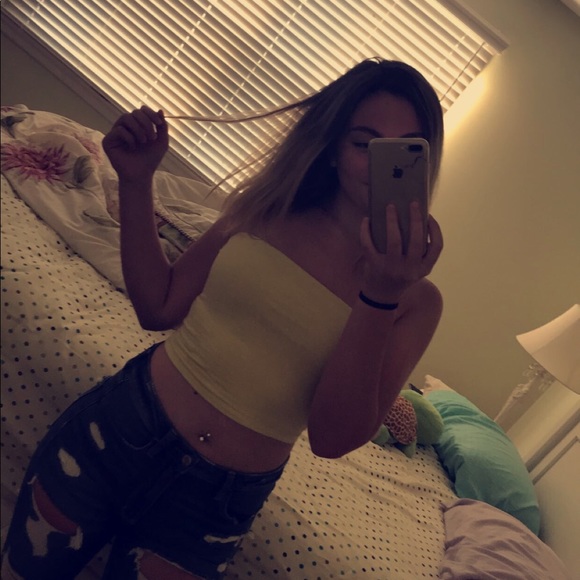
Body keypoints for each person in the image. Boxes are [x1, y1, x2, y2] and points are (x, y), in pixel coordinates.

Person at [1, 57, 444, 579]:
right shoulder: (266, 208)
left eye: (404, 152)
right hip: (117, 429)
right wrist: (137, 181)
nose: (380, 166)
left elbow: (332, 439)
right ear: (331, 150)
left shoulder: (415, 302)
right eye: (364, 144)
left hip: (213, 507)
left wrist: (379, 295)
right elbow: (158, 306)